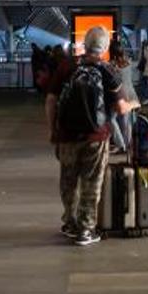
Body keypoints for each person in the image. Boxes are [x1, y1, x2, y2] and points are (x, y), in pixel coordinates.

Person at [46, 26, 136, 247]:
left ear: (84, 44)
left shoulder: (66, 66)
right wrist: (135, 103)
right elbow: (121, 108)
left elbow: (50, 101)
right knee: (92, 181)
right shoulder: (107, 70)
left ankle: (69, 222)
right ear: (104, 47)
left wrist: (53, 130)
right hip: (96, 137)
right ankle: (86, 229)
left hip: (67, 135)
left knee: (68, 180)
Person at [108, 40, 139, 155]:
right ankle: (127, 144)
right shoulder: (128, 62)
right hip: (130, 94)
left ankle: (121, 144)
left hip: (119, 95)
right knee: (126, 121)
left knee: (110, 118)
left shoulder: (112, 65)